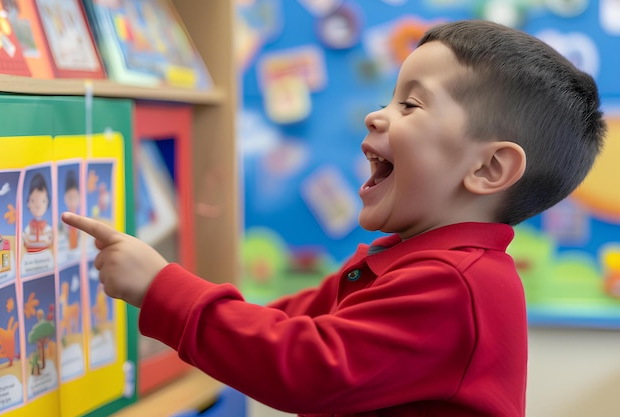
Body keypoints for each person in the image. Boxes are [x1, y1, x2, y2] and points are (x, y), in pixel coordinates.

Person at [62, 19, 606, 417]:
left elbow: (307, 367)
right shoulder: (397, 262)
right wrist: (170, 305)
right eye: (390, 99)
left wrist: (162, 290)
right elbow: (285, 326)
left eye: (410, 106)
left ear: (489, 167)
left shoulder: (456, 286)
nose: (377, 113)